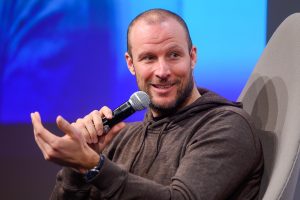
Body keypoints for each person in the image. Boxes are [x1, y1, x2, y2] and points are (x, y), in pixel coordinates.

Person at [31, 8, 263, 199]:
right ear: (131, 64)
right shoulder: (121, 138)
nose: (162, 71)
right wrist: (78, 167)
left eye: (173, 55)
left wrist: (95, 166)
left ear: (192, 57)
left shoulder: (227, 126)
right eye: (149, 58)